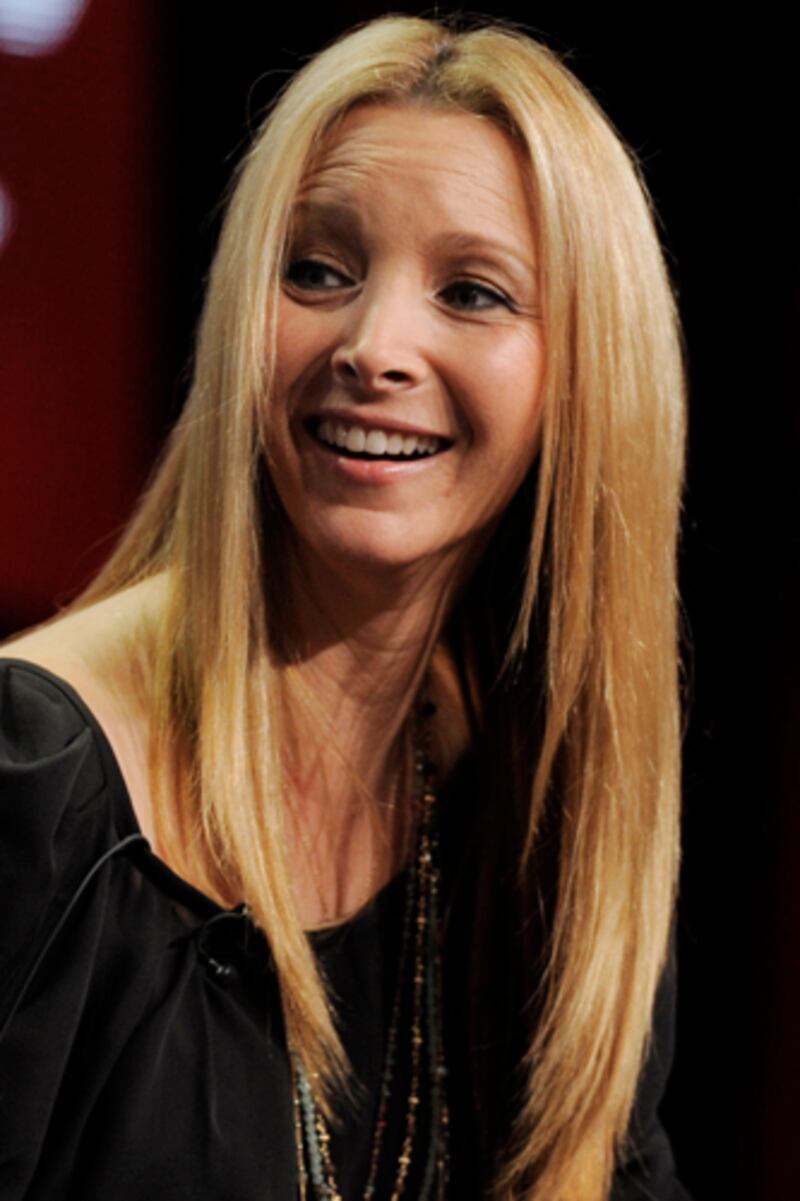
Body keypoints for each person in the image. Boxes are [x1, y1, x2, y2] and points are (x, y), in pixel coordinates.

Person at [0, 15, 690, 1201]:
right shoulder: (36, 778)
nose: (374, 347)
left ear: (584, 376)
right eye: (318, 271)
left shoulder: (527, 805)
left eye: (470, 292)